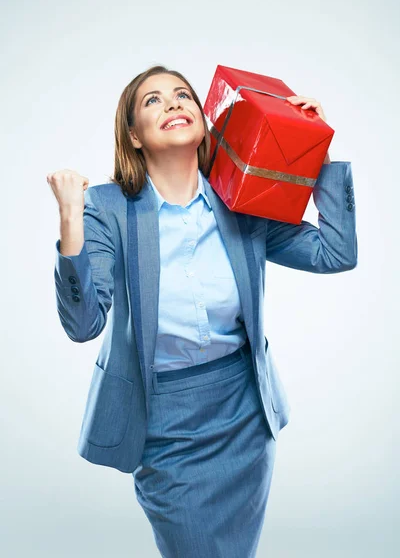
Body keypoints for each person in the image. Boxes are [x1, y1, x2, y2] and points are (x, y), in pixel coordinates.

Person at [47, 64, 358, 558]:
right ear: (132, 136)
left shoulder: (243, 199)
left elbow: (334, 254)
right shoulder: (107, 208)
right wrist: (69, 220)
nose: (172, 104)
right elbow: (84, 324)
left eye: (182, 95)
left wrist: (315, 151)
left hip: (243, 417)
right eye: (152, 101)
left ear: (203, 117)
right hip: (164, 425)